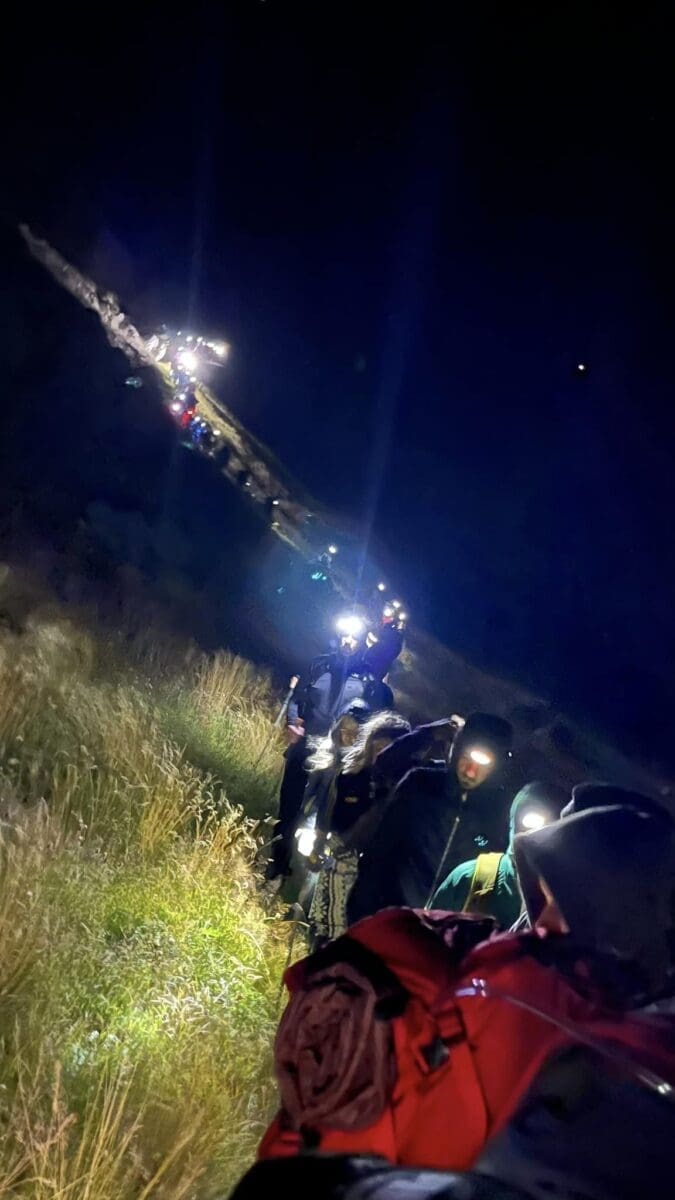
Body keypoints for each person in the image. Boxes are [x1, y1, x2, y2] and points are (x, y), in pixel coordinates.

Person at [258, 801, 675, 1197]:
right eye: (544, 900)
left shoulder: (473, 960)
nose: (542, 924)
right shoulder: (609, 1039)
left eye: (558, 904)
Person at [347, 712, 513, 922]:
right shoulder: (421, 784)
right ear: (457, 750)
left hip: (444, 931)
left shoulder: (499, 813)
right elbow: (379, 851)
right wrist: (361, 914)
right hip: (391, 919)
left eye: (483, 764)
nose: (470, 771)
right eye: (466, 758)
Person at [266, 629, 399, 881]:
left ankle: (314, 863)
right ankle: (278, 864)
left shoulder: (368, 680)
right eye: (345, 636)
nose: (348, 641)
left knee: (325, 813)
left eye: (354, 638)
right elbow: (297, 699)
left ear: (362, 642)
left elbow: (373, 720)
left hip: (337, 758)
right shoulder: (319, 665)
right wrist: (293, 722)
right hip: (305, 747)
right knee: (289, 807)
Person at [307, 711, 411, 944]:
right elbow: (328, 812)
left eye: (388, 749)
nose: (381, 754)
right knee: (326, 928)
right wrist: (317, 846)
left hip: (375, 871)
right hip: (339, 859)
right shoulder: (350, 775)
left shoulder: (406, 788)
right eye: (378, 747)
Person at [432, 781, 564, 930]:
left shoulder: (567, 894)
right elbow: (424, 935)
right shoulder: (469, 877)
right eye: (529, 819)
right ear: (513, 821)